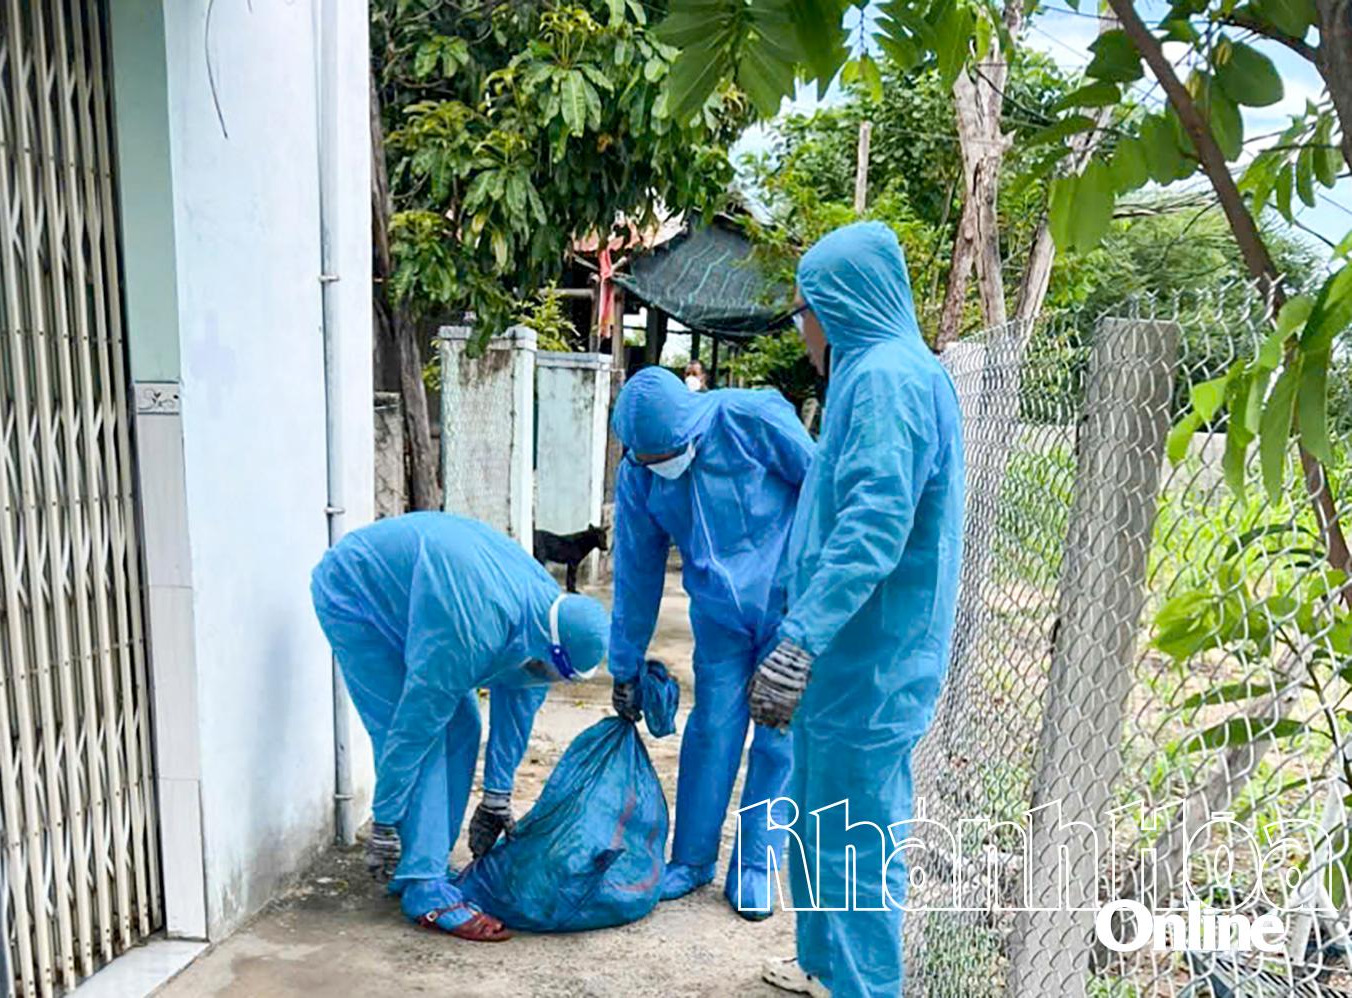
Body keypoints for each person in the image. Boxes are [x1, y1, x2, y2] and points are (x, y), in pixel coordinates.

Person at [749, 222, 964, 996]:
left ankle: (864, 987)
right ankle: (822, 967)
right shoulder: (874, 373)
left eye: (803, 312)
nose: (804, 331)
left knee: (855, 843)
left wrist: (800, 639)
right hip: (847, 659)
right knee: (817, 819)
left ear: (838, 304)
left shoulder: (887, 379)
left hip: (872, 658)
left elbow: (874, 525)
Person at [311, 512, 609, 941]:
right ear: (552, 648)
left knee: (464, 724)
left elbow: (519, 701)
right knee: (428, 731)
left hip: (425, 591)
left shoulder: (547, 617)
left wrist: (497, 796)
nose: (547, 679)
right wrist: (385, 820)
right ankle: (423, 887)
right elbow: (412, 729)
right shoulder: (476, 627)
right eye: (552, 670)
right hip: (356, 592)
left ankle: (424, 861)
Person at [608, 364, 814, 918]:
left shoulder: (753, 419)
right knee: (712, 729)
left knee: (778, 734)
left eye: (669, 455)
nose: (661, 467)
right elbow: (636, 568)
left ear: (691, 427)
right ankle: (693, 859)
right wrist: (624, 662)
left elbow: (822, 490)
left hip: (788, 604)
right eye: (648, 459)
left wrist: (820, 603)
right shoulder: (640, 473)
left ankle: (755, 864)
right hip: (718, 617)